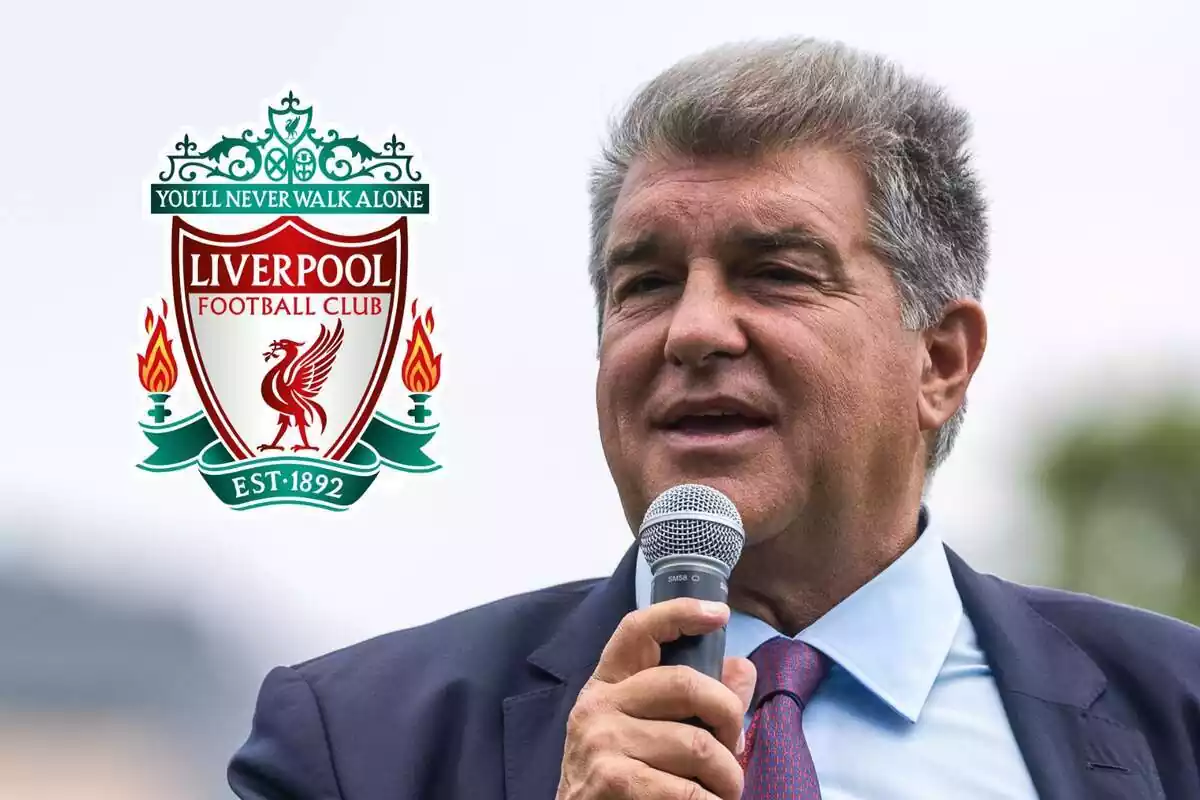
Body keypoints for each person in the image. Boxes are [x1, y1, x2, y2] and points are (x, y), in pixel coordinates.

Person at [227, 36, 1200, 799]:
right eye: (644, 282)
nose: (691, 330)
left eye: (775, 271)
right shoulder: (353, 744)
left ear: (940, 361)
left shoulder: (1177, 715)